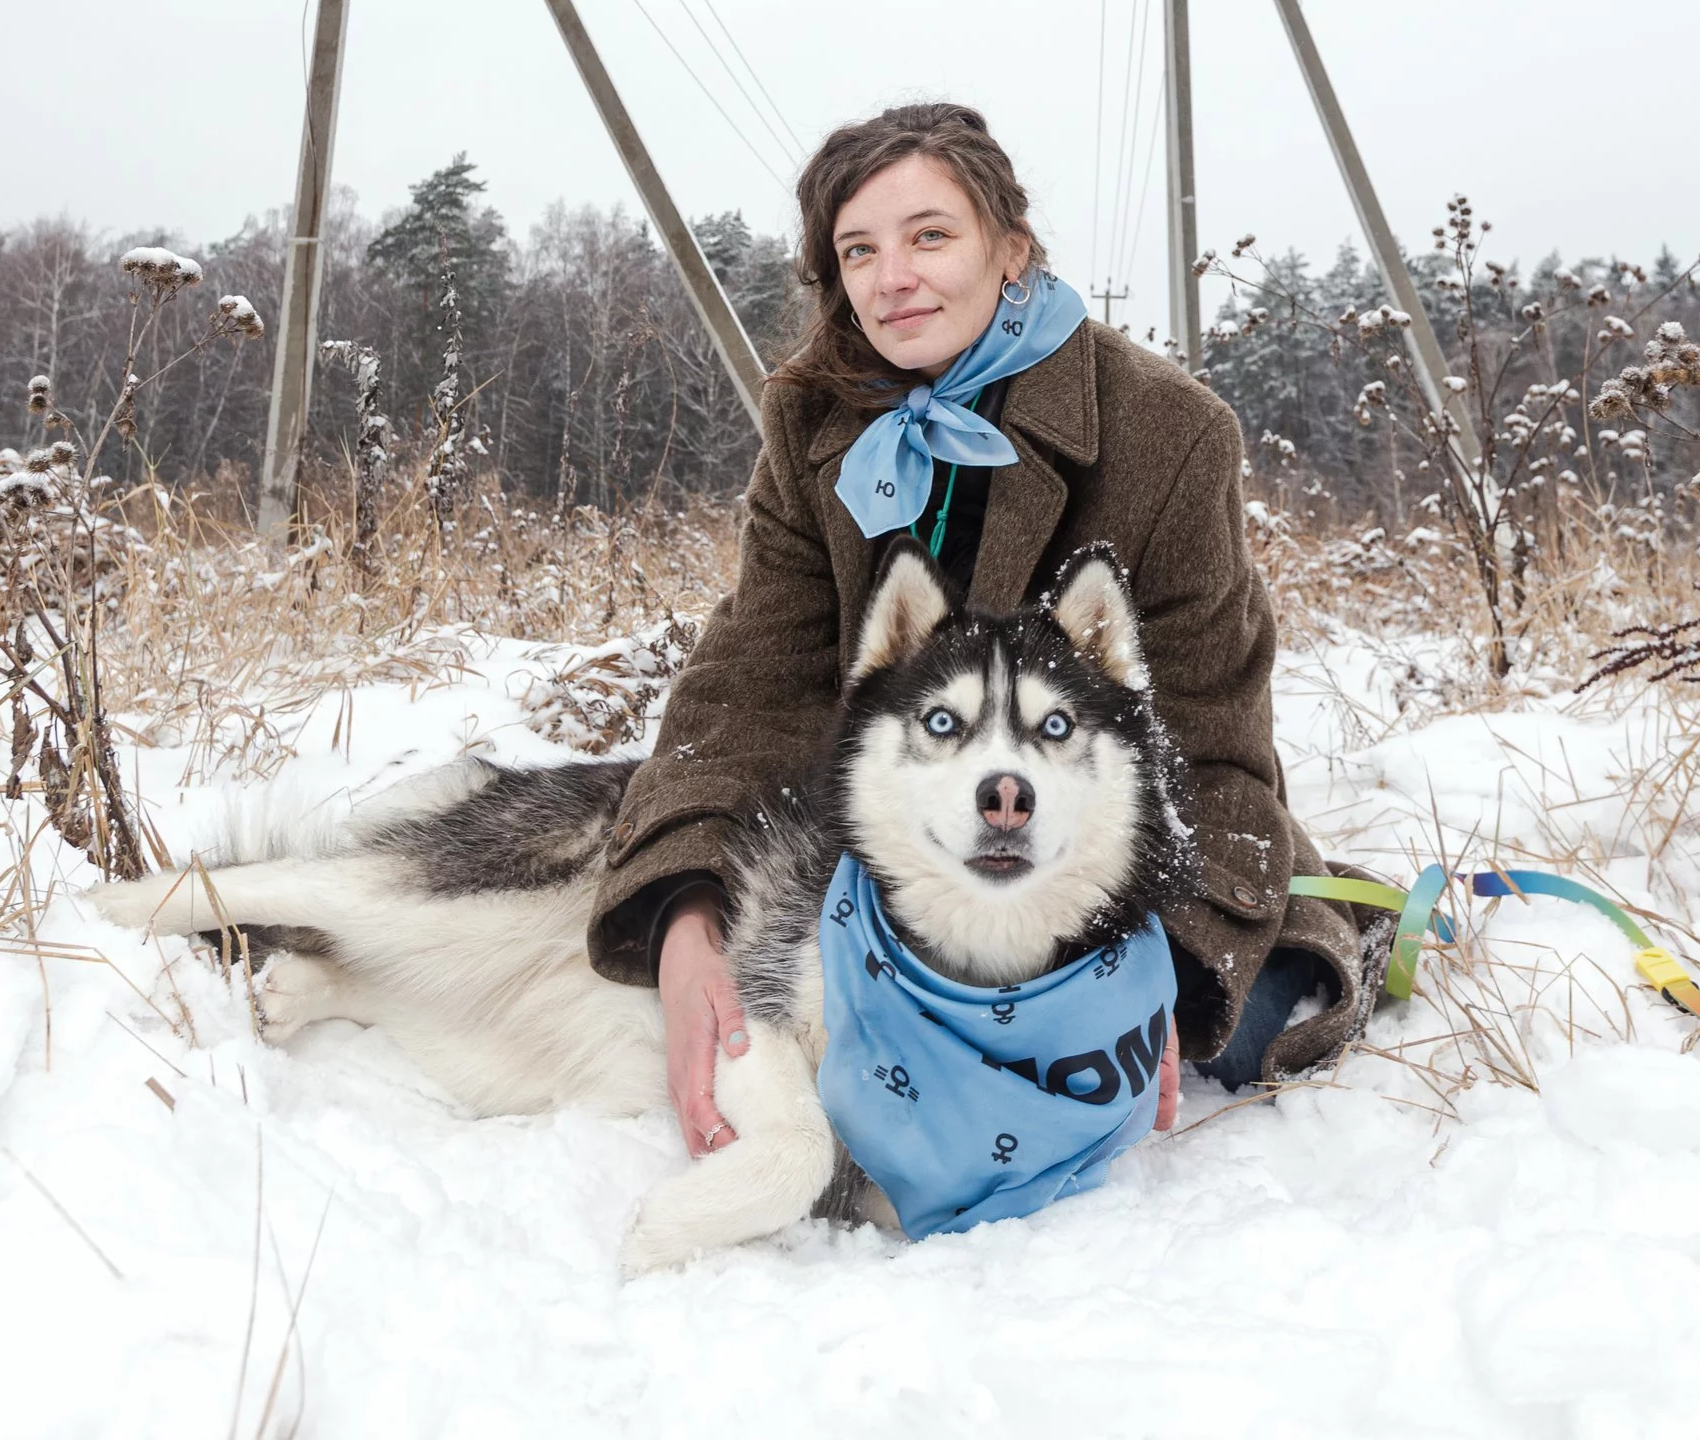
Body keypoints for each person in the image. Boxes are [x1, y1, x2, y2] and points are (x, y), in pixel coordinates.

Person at [587, 101, 1382, 1161]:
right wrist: (687, 913)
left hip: (1092, 853)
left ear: (1012, 248)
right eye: (858, 250)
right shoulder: (811, 418)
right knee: (748, 1007)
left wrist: (1164, 968)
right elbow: (752, 684)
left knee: (1235, 1032)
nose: (892, 278)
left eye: (929, 236)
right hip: (901, 836)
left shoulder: (1170, 431)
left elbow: (1208, 739)